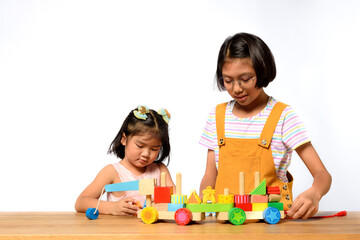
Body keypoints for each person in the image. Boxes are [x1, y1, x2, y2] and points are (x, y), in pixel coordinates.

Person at [199, 33, 331, 220]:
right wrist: (205, 197)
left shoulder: (282, 116)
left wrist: (315, 193)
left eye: (245, 79)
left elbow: (322, 174)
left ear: (262, 71)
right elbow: (210, 175)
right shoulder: (217, 116)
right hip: (226, 222)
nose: (236, 88)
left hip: (271, 223)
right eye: (228, 80)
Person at [75, 105, 175, 216]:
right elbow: (81, 202)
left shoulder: (160, 170)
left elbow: (176, 198)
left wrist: (167, 204)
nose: (146, 154)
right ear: (124, 139)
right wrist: (112, 207)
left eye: (154, 149)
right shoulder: (112, 172)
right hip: (121, 232)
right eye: (140, 146)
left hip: (154, 232)